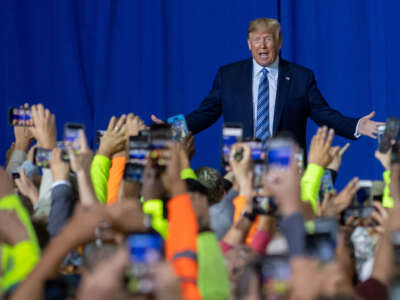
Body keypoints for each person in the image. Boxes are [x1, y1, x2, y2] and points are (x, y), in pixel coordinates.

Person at [152, 18, 383, 151]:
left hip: (286, 168)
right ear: (248, 44)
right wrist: (171, 129)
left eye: (268, 39)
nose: (262, 46)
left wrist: (356, 126)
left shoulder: (301, 77)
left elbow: (324, 114)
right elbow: (205, 114)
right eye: (256, 40)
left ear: (279, 42)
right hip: (241, 169)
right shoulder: (228, 75)